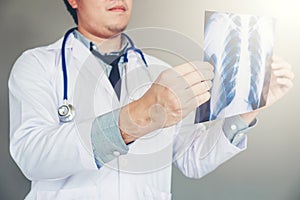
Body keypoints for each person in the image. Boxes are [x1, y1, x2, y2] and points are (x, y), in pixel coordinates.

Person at [8, 0, 294, 199]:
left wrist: (247, 110)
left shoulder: (160, 72)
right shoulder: (37, 65)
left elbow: (193, 159)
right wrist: (137, 116)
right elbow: (32, 156)